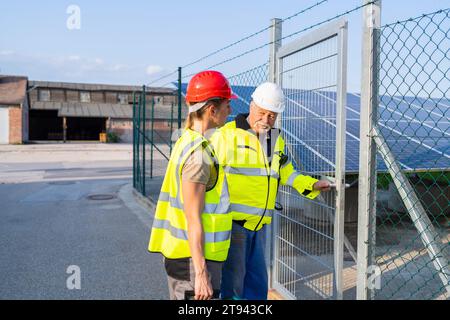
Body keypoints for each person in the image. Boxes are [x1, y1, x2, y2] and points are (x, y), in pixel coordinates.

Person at [209, 82, 331, 300]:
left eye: (272, 116)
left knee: (257, 284)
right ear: (252, 105)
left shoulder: (273, 139)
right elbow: (208, 180)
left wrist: (311, 184)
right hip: (232, 225)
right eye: (262, 113)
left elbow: (286, 173)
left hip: (259, 226)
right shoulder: (226, 136)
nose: (266, 120)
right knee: (233, 286)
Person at [148, 70, 236, 300]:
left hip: (185, 257)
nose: (231, 110)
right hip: (192, 261)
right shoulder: (198, 155)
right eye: (227, 104)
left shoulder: (187, 140)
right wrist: (201, 274)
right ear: (212, 110)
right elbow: (193, 218)